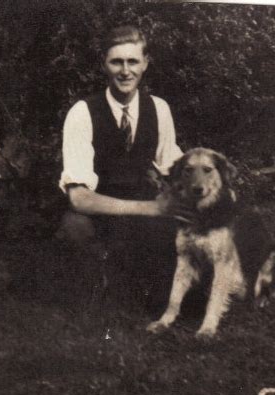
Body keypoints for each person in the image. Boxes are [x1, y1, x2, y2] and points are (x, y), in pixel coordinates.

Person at [58, 25, 188, 316]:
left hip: (142, 217)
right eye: (117, 62)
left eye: (132, 61)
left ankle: (147, 292)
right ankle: (98, 295)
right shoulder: (82, 113)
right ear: (104, 64)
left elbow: (175, 168)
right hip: (99, 212)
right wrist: (151, 208)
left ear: (145, 63)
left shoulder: (159, 109)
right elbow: (79, 199)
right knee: (74, 227)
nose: (125, 71)